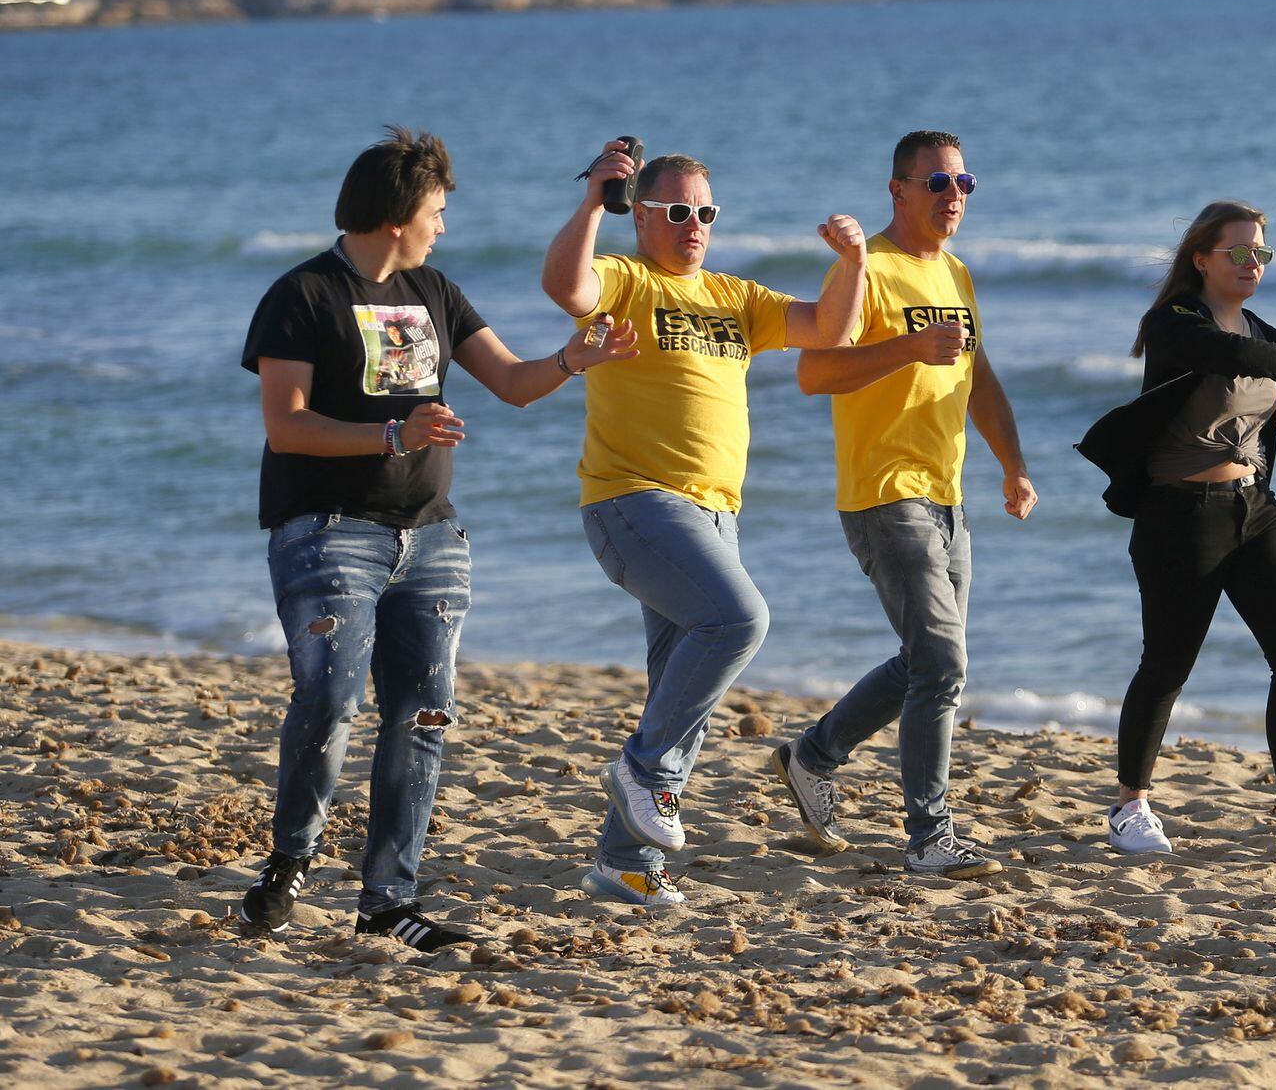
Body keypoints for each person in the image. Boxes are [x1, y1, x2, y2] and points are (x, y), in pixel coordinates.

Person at [238, 126, 637, 950]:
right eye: (437, 210)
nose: (443, 226)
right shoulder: (302, 295)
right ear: (396, 216)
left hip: (431, 536)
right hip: (328, 531)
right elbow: (287, 426)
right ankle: (290, 860)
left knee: (424, 713)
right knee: (333, 700)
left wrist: (574, 357)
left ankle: (388, 899)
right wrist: (394, 435)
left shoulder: (435, 292)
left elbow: (515, 384)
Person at [541, 141, 867, 908]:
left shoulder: (734, 296)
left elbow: (829, 328)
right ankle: (643, 774)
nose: (695, 225)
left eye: (706, 212)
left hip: (715, 514)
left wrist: (852, 262)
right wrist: (594, 200)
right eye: (678, 211)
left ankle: (623, 865)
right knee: (737, 618)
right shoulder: (627, 280)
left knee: (677, 693)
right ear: (644, 218)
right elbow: (566, 285)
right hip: (633, 500)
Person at [770, 130, 1036, 880]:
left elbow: (978, 377)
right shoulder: (867, 269)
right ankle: (928, 836)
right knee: (944, 661)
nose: (954, 196)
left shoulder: (956, 273)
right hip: (884, 492)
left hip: (947, 496)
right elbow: (815, 372)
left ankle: (812, 754)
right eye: (937, 183)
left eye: (964, 184)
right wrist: (908, 349)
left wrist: (1013, 465)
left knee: (928, 657)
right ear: (898, 190)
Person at [1077, 200, 1276, 862]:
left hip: (1254, 508)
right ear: (1201, 259)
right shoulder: (1173, 323)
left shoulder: (1264, 329)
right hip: (1181, 515)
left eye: (1260, 253)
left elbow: (1257, 406)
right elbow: (1225, 353)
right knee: (1167, 664)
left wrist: (1262, 469)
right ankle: (1130, 805)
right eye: (1237, 252)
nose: (1251, 264)